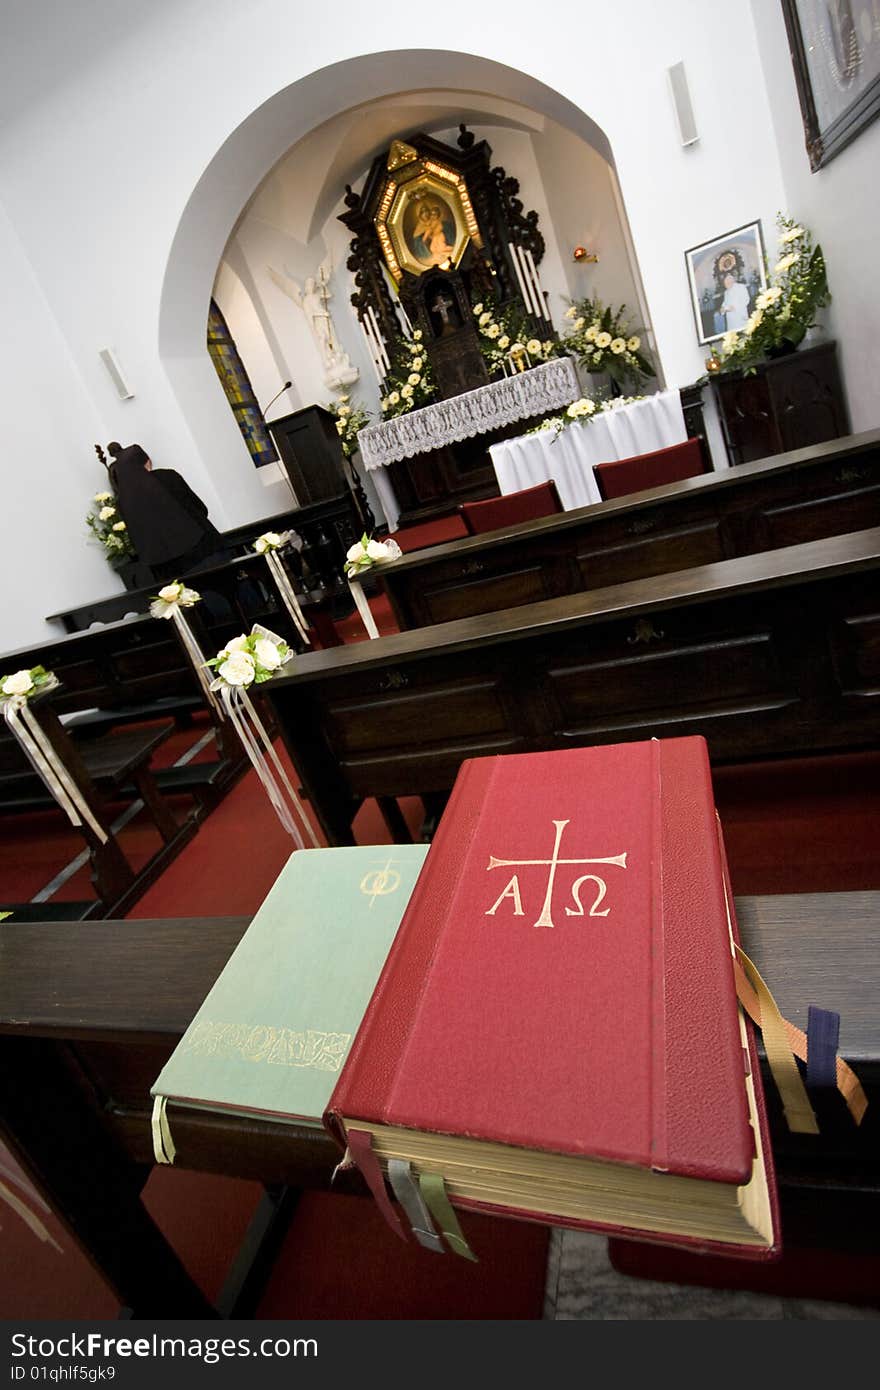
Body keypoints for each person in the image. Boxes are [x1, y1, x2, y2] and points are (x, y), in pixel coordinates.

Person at [110, 444, 232, 581]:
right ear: (147, 461)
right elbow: (200, 508)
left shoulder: (122, 501)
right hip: (204, 551)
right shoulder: (167, 477)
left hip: (167, 571)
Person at [411, 200, 456, 265]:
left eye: (426, 211)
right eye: (422, 212)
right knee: (433, 248)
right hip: (434, 243)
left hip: (439, 237)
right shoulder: (418, 230)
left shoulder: (437, 222)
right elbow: (421, 246)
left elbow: (438, 229)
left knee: (442, 247)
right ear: (419, 215)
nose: (426, 214)